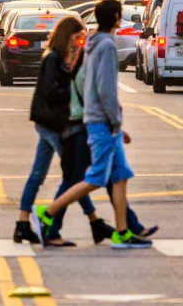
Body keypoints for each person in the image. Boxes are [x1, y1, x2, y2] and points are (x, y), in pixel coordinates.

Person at [31, 0, 150, 249]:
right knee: (95, 178)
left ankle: (122, 231)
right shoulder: (106, 46)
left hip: (99, 120)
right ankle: (49, 211)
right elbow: (105, 88)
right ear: (117, 18)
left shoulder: (93, 44)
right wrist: (115, 121)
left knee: (120, 176)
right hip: (102, 122)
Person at [14, 15, 112, 247]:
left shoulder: (67, 58)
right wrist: (70, 92)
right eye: (78, 37)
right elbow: (50, 91)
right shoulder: (53, 59)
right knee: (73, 175)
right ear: (67, 35)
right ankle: (83, 222)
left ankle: (22, 224)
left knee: (39, 174)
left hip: (52, 122)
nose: (81, 42)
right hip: (52, 123)